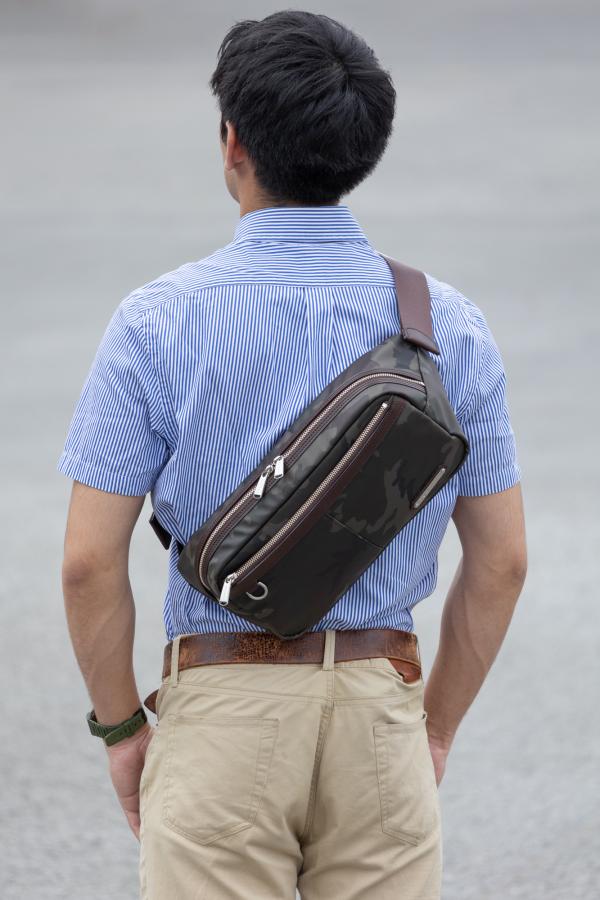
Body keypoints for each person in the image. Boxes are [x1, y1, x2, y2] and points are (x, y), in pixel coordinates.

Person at [58, 10, 527, 900]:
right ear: (365, 146)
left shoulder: (157, 320)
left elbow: (88, 562)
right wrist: (431, 731)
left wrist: (122, 733)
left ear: (232, 141)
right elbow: (502, 562)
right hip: (378, 713)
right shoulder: (448, 325)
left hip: (221, 716)